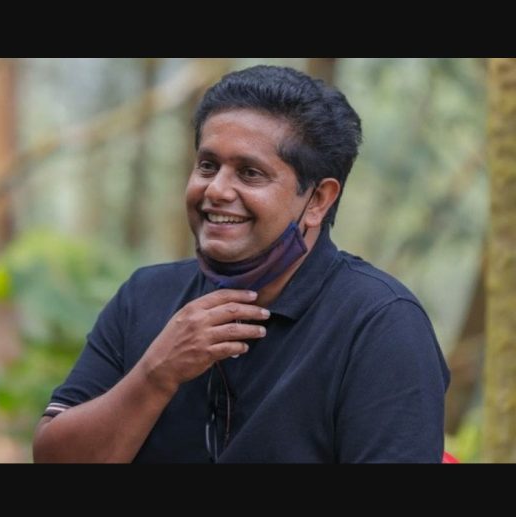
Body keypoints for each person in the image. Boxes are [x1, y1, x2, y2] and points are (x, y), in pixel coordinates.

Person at [32, 64, 450, 463]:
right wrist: (156, 374)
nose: (216, 190)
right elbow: (54, 458)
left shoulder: (380, 322)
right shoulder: (144, 297)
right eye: (207, 165)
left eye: (250, 173)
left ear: (318, 200)